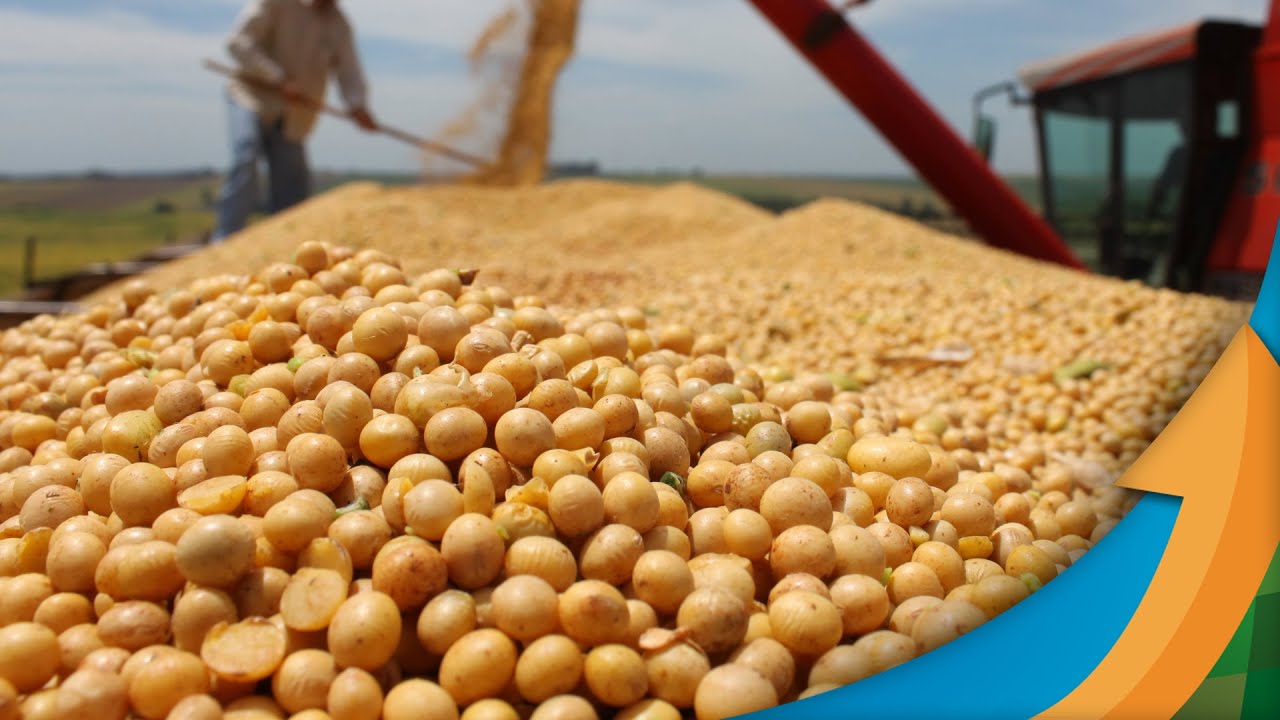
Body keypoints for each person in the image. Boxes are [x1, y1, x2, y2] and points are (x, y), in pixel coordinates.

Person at [213, 0, 377, 241]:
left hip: (294, 112)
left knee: (292, 184)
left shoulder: (338, 24)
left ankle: (286, 246)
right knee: (246, 156)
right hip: (251, 95)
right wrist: (278, 77)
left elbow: (349, 70)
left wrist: (357, 105)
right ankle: (225, 240)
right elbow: (238, 44)